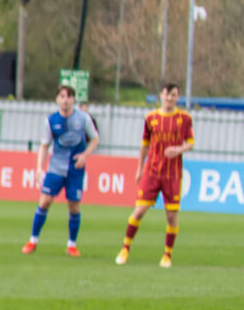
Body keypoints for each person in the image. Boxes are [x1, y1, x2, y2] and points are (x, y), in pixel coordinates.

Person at [116, 83, 194, 268]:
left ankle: (167, 255)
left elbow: (190, 142)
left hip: (173, 174)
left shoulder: (185, 118)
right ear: (161, 95)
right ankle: (125, 249)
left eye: (174, 95)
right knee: (139, 210)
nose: (170, 98)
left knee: (171, 216)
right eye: (167, 95)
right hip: (152, 171)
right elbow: (144, 144)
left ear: (178, 97)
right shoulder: (151, 118)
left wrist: (178, 149)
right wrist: (139, 167)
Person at [22, 85, 99, 257]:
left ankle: (72, 244)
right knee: (44, 202)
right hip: (56, 168)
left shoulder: (84, 119)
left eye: (69, 96)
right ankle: (33, 240)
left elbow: (95, 139)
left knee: (74, 206)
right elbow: (44, 145)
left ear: (73, 100)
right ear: (57, 99)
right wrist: (38, 168)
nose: (65, 100)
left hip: (75, 169)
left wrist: (85, 155)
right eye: (62, 96)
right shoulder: (51, 121)